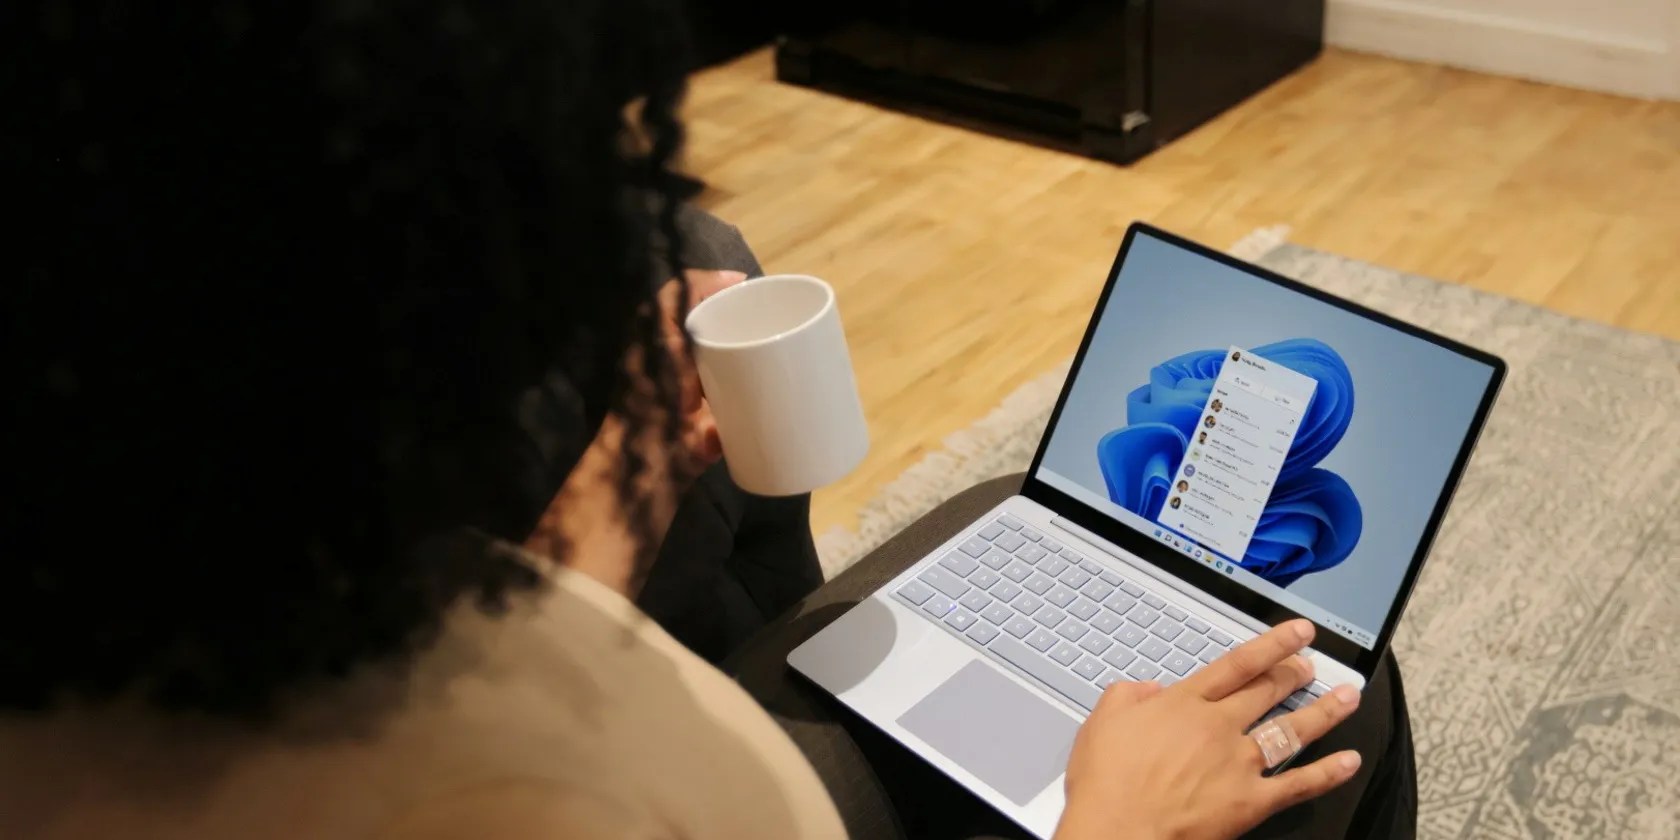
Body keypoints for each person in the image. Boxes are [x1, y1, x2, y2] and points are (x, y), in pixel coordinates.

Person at [6, 3, 1415, 839]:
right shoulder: (593, 794)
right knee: (1346, 699)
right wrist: (1119, 825)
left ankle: (782, 641)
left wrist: (592, 525)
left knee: (698, 252)